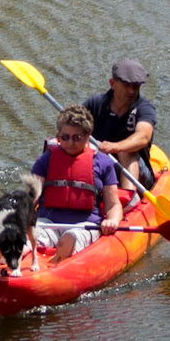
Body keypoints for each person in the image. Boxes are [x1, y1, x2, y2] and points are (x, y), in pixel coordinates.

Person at [26, 103, 128, 261]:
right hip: (48, 222)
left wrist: (112, 220)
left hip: (85, 225)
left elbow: (113, 204)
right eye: (65, 137)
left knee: (72, 237)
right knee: (34, 234)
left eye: (76, 137)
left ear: (87, 136)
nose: (70, 142)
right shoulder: (46, 160)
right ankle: (18, 250)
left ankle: (65, 251)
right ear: (59, 136)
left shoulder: (103, 163)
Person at [83, 58, 158, 190]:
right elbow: (71, 125)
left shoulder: (144, 108)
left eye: (135, 86)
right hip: (97, 167)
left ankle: (129, 198)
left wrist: (115, 147)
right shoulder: (94, 104)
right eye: (126, 85)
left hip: (136, 175)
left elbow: (143, 136)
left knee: (126, 152)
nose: (131, 91)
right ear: (112, 83)